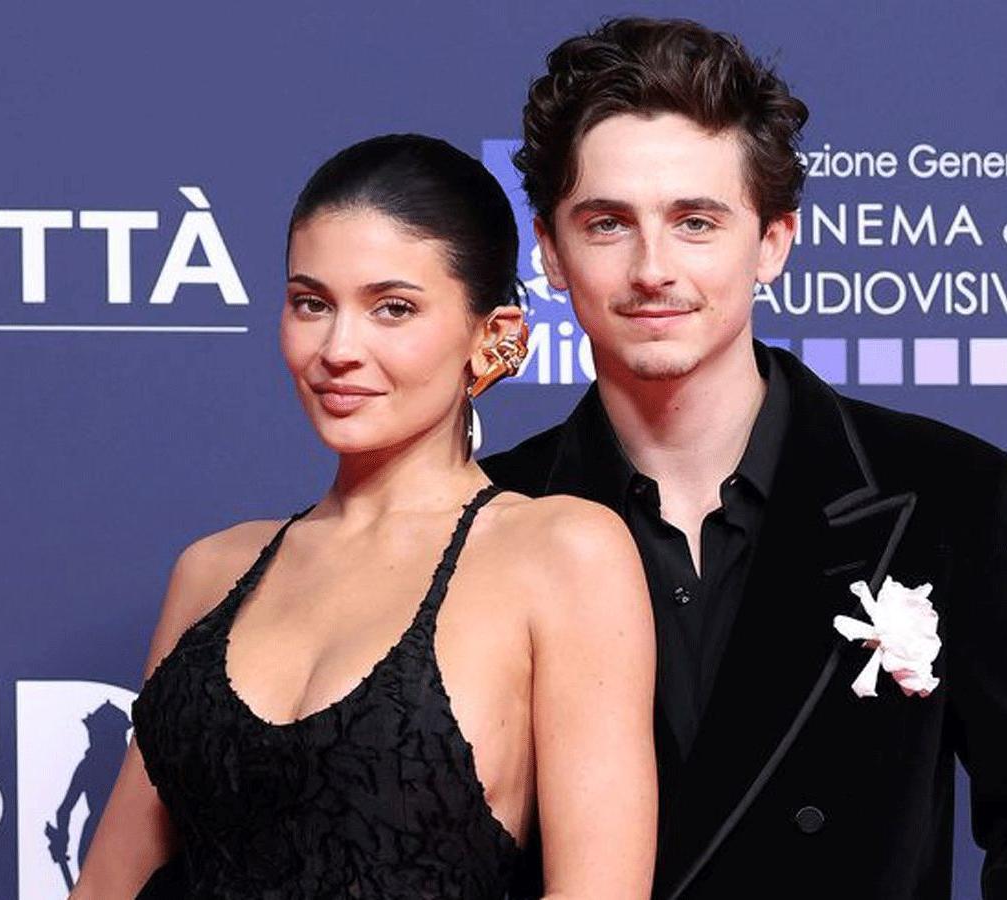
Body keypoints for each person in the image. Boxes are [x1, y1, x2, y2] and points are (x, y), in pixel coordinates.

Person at [481, 18, 1007, 899]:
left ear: (773, 242)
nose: (652, 268)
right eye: (607, 224)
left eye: (695, 222)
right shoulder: (486, 515)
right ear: (551, 252)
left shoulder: (945, 492)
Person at [71, 134, 658, 899]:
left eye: (393, 309)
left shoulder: (560, 555)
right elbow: (108, 885)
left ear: (494, 337)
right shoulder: (211, 571)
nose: (338, 348)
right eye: (311, 304)